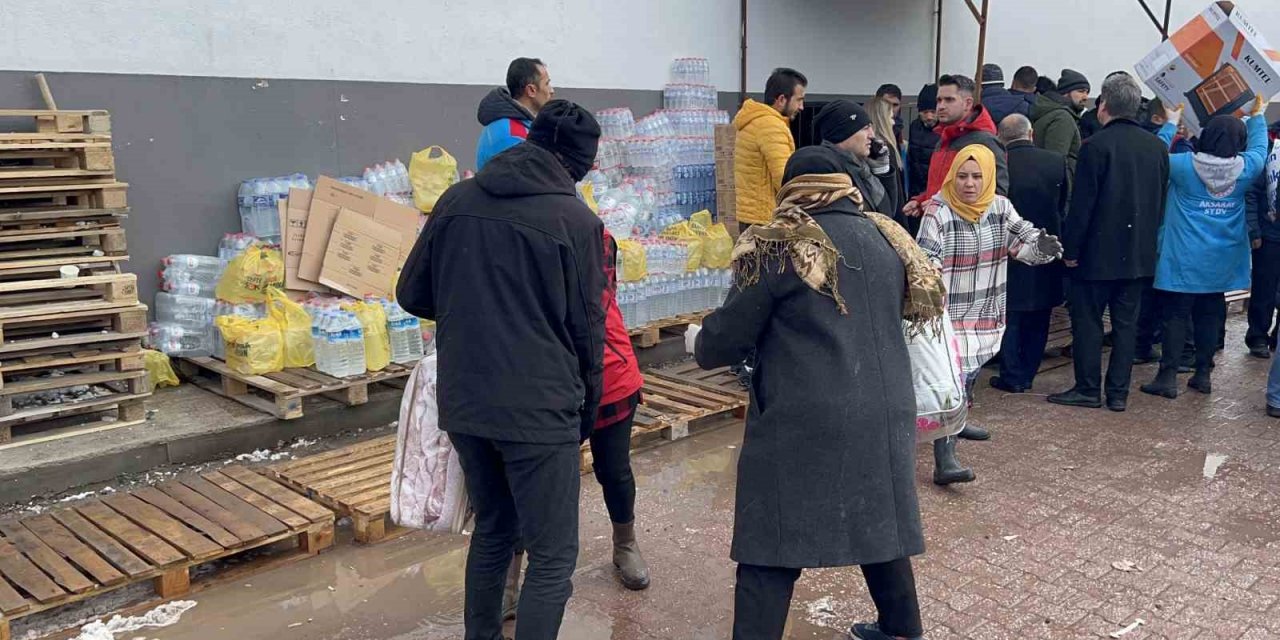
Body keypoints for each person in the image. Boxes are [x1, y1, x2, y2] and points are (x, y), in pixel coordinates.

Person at [689, 145, 945, 640]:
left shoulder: (781, 243)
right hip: (886, 405)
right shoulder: (886, 235)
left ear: (792, 190)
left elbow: (729, 337)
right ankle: (901, 629)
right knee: (881, 523)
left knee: (772, 540)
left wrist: (701, 340)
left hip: (804, 415)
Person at [397, 100, 605, 640]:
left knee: (493, 531)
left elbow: (411, 292)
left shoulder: (458, 199)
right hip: (540, 408)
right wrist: (586, 413)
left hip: (467, 401)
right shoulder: (577, 222)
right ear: (576, 163)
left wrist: (475, 305)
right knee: (553, 556)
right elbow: (588, 333)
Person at [917, 144, 1063, 484]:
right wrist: (932, 283)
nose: (969, 184)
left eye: (977, 176)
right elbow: (925, 258)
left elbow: (1022, 240)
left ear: (989, 177)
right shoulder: (938, 209)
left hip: (986, 308)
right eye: (963, 176)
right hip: (947, 313)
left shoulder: (999, 207)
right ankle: (945, 458)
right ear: (953, 176)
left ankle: (960, 420)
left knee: (969, 374)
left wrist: (1042, 246)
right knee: (951, 381)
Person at [1048, 74, 1169, 413]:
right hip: (1137, 254)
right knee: (1126, 325)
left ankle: (1088, 388)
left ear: (1104, 105)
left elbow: (1082, 206)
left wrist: (1070, 251)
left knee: (1087, 322)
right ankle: (1118, 393)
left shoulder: (1096, 147)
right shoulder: (1158, 148)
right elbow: (1159, 203)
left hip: (1096, 256)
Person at [1140, 99, 1270, 398]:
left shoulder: (1184, 166)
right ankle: (1202, 374)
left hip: (1182, 256)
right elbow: (1261, 151)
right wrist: (1258, 117)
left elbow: (1154, 155)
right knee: (1211, 314)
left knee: (1175, 315)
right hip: (1221, 258)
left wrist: (1170, 123)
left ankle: (1167, 377)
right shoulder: (1246, 169)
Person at [991, 114, 1069, 393]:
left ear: (1000, 137)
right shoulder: (1055, 162)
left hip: (1007, 249)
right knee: (1040, 314)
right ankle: (1028, 373)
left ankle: (1011, 375)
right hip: (1046, 246)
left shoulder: (998, 164)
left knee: (1011, 314)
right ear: (1031, 133)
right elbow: (1063, 206)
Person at [902, 74, 1008, 221]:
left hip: (965, 234)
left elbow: (997, 195)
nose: (941, 106)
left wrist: (943, 206)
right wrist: (921, 200)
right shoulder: (944, 138)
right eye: (939, 100)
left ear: (967, 103)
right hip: (937, 226)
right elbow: (942, 186)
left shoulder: (984, 141)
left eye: (949, 100)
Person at [734, 67, 806, 233]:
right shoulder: (770, 126)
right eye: (799, 100)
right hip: (766, 220)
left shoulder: (754, 121)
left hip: (750, 215)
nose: (801, 107)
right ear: (781, 99)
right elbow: (784, 179)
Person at [814, 100, 896, 222]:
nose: (872, 135)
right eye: (865, 128)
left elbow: (888, 215)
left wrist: (881, 170)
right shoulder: (828, 171)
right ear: (842, 132)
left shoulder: (860, 167)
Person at [476, 57, 553, 170]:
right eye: (547, 84)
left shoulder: (517, 124)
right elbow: (529, 181)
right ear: (531, 90)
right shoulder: (513, 135)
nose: (552, 90)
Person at [1245, 130, 1280, 358]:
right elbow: (1253, 193)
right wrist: (1255, 230)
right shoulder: (1271, 151)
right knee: (1264, 289)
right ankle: (1257, 336)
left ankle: (1277, 336)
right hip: (1270, 234)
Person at [1029, 69, 1088, 179]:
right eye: (1081, 91)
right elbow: (1056, 162)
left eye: (1087, 92)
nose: (1085, 97)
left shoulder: (1056, 113)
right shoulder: (1062, 118)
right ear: (1066, 92)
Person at [868, 97, 908, 224]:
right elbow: (895, 190)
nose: (893, 123)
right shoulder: (885, 149)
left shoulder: (868, 148)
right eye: (891, 118)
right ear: (882, 119)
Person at [906, 84, 940, 201]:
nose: (929, 116)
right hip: (915, 190)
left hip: (936, 192)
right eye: (925, 112)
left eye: (932, 111)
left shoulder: (947, 130)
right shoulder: (914, 127)